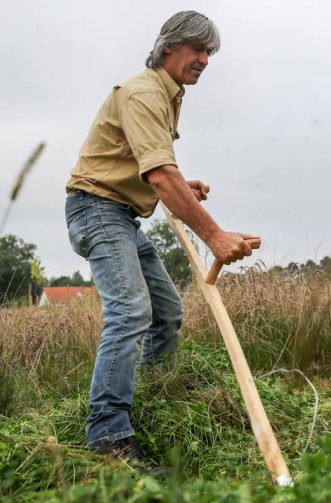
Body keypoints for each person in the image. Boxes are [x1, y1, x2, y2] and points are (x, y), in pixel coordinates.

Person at [64, 11, 257, 468]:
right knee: (130, 309)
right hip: (97, 209)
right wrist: (213, 235)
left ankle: (149, 400)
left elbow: (150, 172)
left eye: (210, 52)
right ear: (170, 46)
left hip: (122, 213)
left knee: (166, 311)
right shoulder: (144, 93)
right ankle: (108, 435)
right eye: (198, 49)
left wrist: (179, 188)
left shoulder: (168, 96)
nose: (205, 59)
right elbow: (158, 172)